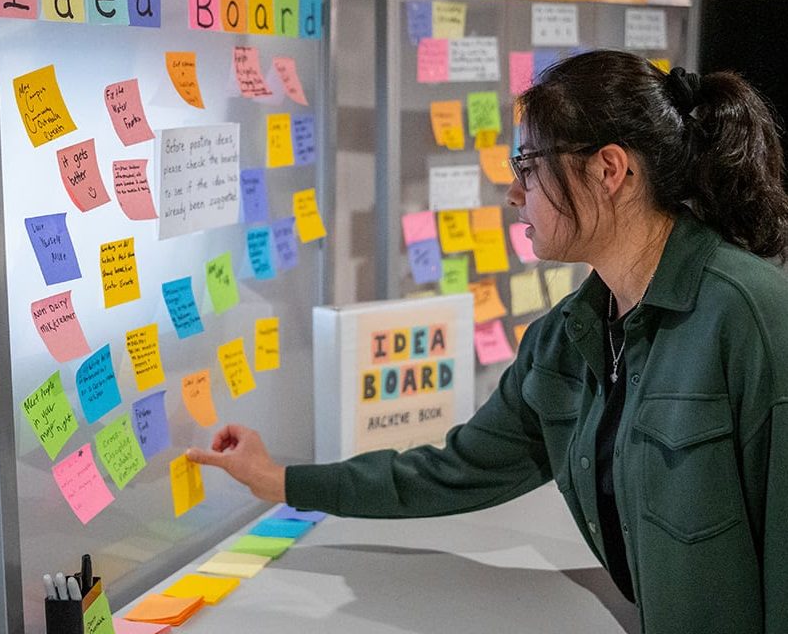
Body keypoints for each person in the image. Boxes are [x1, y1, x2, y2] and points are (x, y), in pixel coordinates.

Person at [187, 50, 788, 634]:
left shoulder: (752, 315)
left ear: (609, 170)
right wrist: (282, 481)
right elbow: (454, 470)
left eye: (529, 166)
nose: (514, 194)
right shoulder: (564, 341)